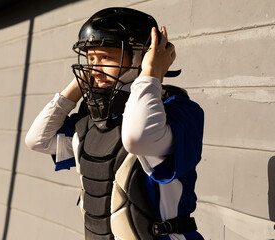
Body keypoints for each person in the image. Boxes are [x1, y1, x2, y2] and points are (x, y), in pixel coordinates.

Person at [25, 7, 204, 240]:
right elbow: (38, 140)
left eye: (106, 57)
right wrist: (79, 86)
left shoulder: (177, 110)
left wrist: (151, 73)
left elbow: (137, 138)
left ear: (143, 55)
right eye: (90, 58)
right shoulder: (91, 120)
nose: (94, 68)